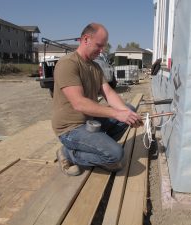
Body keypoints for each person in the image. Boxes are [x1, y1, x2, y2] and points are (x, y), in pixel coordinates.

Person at [52, 22, 143, 176]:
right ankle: (67, 153)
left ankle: (100, 147)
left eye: (104, 47)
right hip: (71, 129)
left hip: (90, 121)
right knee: (116, 157)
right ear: (86, 39)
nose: (102, 51)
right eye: (99, 46)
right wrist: (116, 113)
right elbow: (79, 103)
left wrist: (127, 114)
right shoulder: (67, 64)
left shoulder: (95, 67)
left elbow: (108, 92)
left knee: (129, 110)